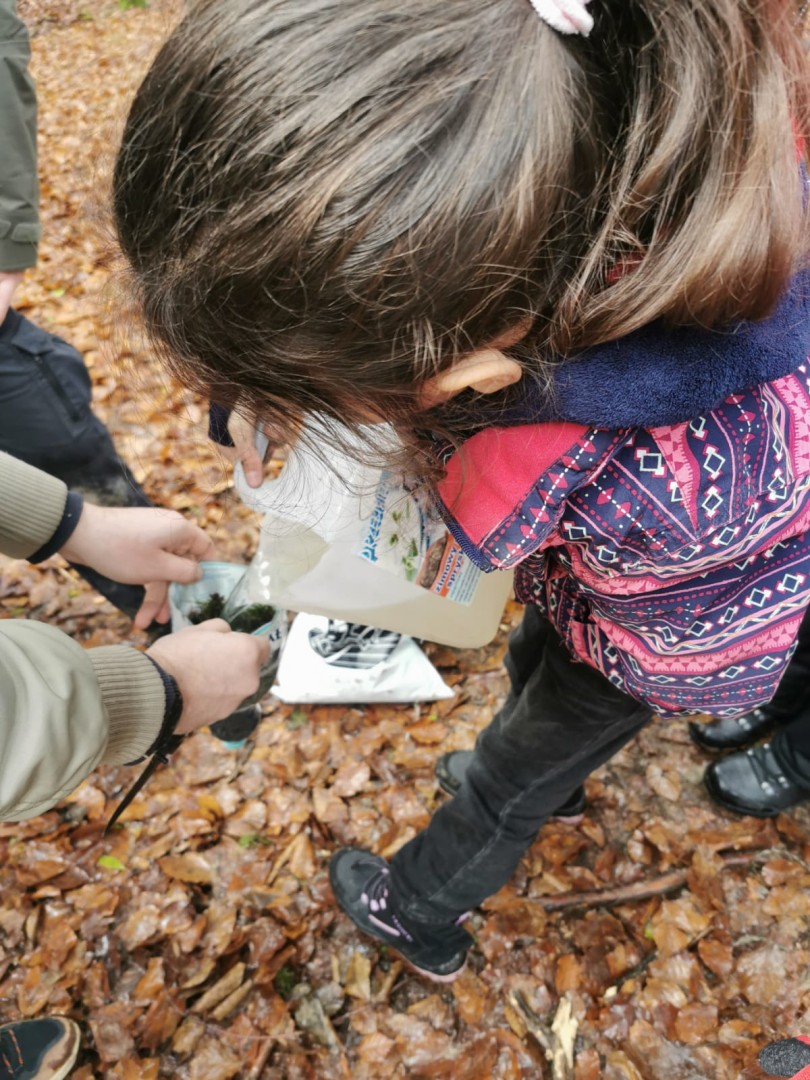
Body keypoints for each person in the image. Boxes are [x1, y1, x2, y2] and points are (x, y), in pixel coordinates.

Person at [112, 0, 810, 983]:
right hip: (633, 596)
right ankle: (548, 776)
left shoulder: (567, 453)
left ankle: (420, 909)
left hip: (661, 647)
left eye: (327, 397)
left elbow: (454, 543)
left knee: (510, 782)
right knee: (538, 663)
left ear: (476, 377)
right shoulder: (637, 157)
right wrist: (267, 390)